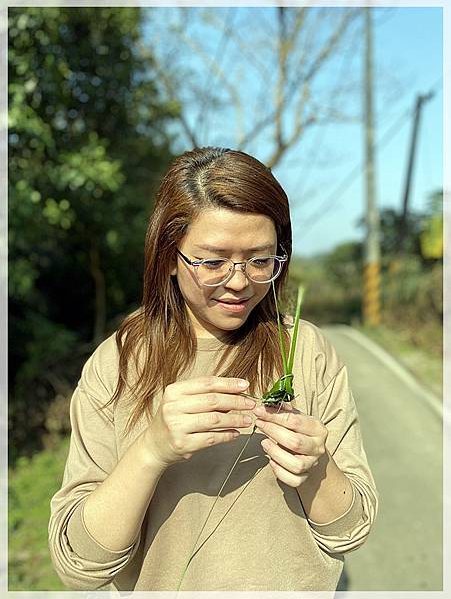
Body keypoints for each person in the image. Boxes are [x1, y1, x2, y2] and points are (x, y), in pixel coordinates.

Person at [48, 146, 378, 592]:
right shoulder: (119, 363)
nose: (239, 281)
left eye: (260, 260)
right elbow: (79, 566)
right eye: (213, 261)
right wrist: (152, 450)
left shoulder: (307, 352)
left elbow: (352, 531)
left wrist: (316, 467)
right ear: (169, 257)